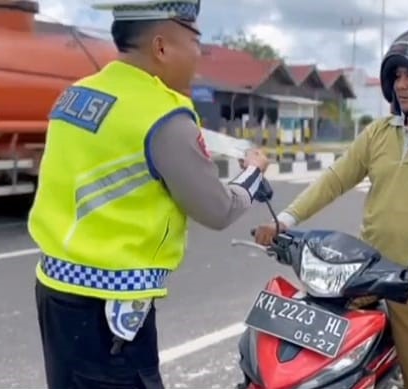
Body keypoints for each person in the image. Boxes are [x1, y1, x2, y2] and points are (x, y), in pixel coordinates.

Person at [28, 1, 269, 388]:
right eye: (195, 42)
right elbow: (218, 209)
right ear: (161, 47)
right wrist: (254, 173)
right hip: (110, 312)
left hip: (54, 290)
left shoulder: (75, 96)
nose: (198, 56)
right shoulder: (164, 114)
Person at [254, 27, 408, 389]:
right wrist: (284, 220)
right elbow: (336, 179)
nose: (401, 85)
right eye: (397, 76)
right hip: (365, 274)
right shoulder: (380, 132)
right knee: (320, 372)